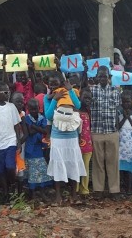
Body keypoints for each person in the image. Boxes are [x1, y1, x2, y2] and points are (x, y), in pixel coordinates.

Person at [44, 73, 86, 205]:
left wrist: (69, 91)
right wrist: (55, 99)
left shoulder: (70, 92)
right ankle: (58, 196)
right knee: (58, 165)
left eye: (56, 83)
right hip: (57, 136)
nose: (53, 85)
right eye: (51, 83)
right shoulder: (48, 98)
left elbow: (78, 106)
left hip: (72, 135)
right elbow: (49, 116)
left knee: (73, 163)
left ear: (62, 82)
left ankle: (74, 195)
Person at [89, 67, 122, 199]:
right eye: (100, 76)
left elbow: (119, 110)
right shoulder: (92, 91)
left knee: (112, 162)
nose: (103, 78)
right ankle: (98, 189)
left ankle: (114, 190)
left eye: (105, 76)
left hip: (111, 131)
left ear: (109, 77)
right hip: (96, 131)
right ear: (97, 77)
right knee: (98, 162)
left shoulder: (115, 91)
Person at [23, 98, 53, 198]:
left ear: (39, 108)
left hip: (40, 147)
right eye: (31, 109)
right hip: (30, 148)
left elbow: (45, 131)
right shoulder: (26, 118)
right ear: (28, 109)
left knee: (41, 169)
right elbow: (30, 132)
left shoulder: (42, 118)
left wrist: (34, 127)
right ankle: (32, 193)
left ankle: (42, 192)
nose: (34, 111)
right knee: (32, 171)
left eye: (35, 109)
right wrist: (39, 128)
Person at [117, 90, 132, 194]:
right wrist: (124, 117)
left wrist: (129, 119)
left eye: (128, 101)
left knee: (130, 164)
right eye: (124, 102)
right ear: (121, 102)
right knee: (120, 165)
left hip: (130, 143)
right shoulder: (119, 113)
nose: (126, 104)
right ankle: (121, 186)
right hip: (121, 142)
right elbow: (117, 127)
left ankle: (129, 187)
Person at [77, 89, 93, 196]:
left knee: (85, 167)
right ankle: (76, 189)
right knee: (77, 167)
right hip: (77, 144)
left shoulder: (89, 112)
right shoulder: (76, 111)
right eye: (85, 98)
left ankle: (85, 189)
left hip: (88, 144)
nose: (87, 100)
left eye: (89, 98)